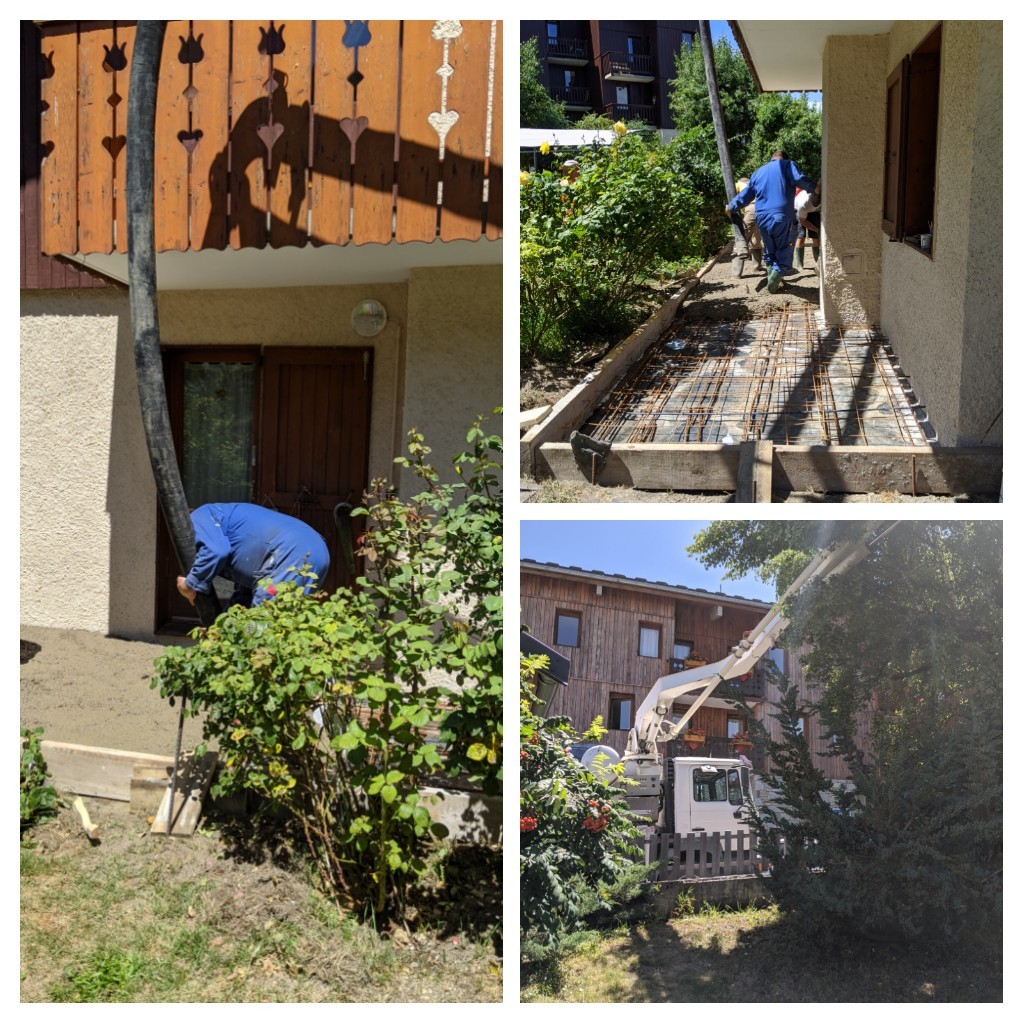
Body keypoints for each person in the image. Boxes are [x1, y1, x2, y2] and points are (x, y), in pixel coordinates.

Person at [176, 503, 330, 608]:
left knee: (261, 627)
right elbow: (245, 594)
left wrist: (191, 584)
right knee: (283, 625)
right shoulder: (231, 526)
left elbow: (215, 551)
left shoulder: (198, 516)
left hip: (291, 550)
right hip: (315, 549)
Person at [726, 150, 817, 293]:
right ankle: (772, 285)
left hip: (762, 218)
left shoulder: (758, 172)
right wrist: (816, 188)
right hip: (781, 216)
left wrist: (731, 206)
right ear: (785, 159)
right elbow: (799, 179)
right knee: (784, 252)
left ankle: (777, 283)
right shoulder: (787, 165)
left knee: (770, 251)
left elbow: (746, 195)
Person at [729, 175, 764, 275]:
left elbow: (733, 200)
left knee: (741, 238)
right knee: (756, 239)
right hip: (763, 209)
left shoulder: (737, 185)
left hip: (752, 209)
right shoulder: (755, 184)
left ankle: (736, 274)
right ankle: (757, 267)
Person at [794, 184, 822, 270]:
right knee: (801, 237)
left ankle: (818, 263)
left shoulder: (822, 198)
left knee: (816, 238)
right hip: (799, 212)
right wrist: (816, 229)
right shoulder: (803, 204)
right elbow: (803, 221)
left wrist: (817, 231)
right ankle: (800, 265)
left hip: (813, 212)